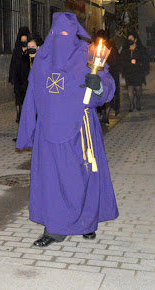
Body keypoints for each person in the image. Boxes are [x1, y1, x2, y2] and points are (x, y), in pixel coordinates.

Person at [17, 13, 118, 248]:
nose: (60, 39)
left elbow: (108, 85)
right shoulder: (43, 56)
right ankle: (54, 228)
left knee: (82, 177)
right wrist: (27, 130)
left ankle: (86, 222)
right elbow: (31, 95)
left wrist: (99, 86)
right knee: (52, 180)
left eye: (66, 34)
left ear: (74, 35)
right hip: (49, 131)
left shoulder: (88, 55)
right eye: (57, 33)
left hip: (80, 129)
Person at [119, 32, 149, 112]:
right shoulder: (125, 49)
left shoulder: (141, 49)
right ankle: (131, 104)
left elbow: (145, 59)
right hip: (129, 71)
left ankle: (138, 101)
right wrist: (128, 62)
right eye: (128, 39)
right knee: (130, 87)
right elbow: (122, 59)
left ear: (135, 40)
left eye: (131, 39)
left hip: (138, 71)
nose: (130, 40)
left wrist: (138, 62)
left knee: (138, 88)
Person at [95, 30, 120, 123]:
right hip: (99, 74)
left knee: (108, 94)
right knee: (100, 94)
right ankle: (102, 114)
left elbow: (115, 60)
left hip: (109, 74)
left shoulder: (111, 48)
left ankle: (106, 115)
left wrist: (106, 65)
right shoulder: (96, 47)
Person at [9, 26, 31, 123]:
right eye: (22, 40)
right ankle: (19, 115)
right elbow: (13, 64)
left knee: (27, 98)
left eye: (25, 40)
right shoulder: (17, 50)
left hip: (28, 79)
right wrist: (12, 77)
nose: (23, 42)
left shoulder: (31, 51)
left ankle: (27, 115)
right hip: (18, 79)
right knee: (18, 98)